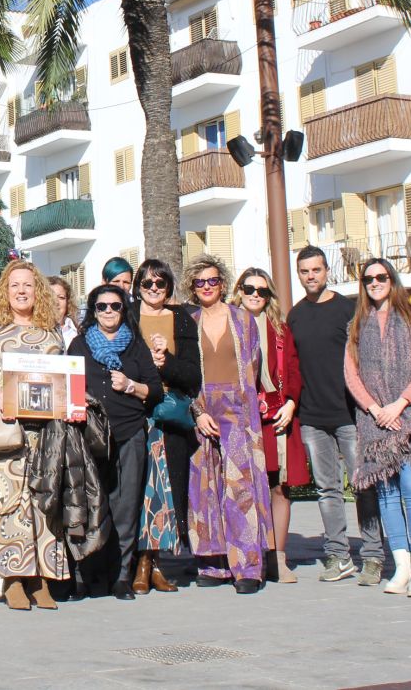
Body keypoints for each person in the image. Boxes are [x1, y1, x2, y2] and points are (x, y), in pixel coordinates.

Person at [0, 259, 71, 611]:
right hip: (6, 432)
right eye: (14, 285)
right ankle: (12, 577)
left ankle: (41, 577)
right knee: (8, 502)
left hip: (45, 434)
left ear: (37, 290)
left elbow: (64, 379)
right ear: (5, 291)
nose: (21, 291)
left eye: (27, 285)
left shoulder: (51, 332)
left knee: (44, 501)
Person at [288, 245, 384, 585]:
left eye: (316, 270)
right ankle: (338, 555)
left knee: (363, 485)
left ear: (327, 271)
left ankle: (373, 555)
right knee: (327, 489)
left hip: (350, 414)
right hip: (313, 417)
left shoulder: (349, 308)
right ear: (298, 274)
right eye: (304, 271)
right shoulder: (295, 315)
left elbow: (369, 356)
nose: (310, 276)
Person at [345, 257, 411, 599]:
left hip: (409, 415)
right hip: (374, 422)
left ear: (392, 280)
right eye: (368, 278)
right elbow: (351, 374)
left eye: (381, 277)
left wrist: (400, 403)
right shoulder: (357, 324)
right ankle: (401, 567)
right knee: (386, 495)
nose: (375, 282)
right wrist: (374, 408)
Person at [184, 254, 273, 593]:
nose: (207, 287)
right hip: (203, 409)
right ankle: (214, 563)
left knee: (241, 489)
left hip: (237, 408)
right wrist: (198, 410)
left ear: (222, 283)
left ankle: (248, 567)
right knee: (205, 487)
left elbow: (252, 366)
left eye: (213, 280)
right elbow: (186, 376)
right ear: (193, 287)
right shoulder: (188, 322)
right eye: (200, 282)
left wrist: (246, 416)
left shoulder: (243, 320)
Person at [67, 283, 162, 599]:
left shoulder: (136, 346)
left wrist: (132, 385)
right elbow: (67, 388)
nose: (109, 311)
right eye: (102, 306)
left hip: (129, 432)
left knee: (125, 506)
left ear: (124, 310)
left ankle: (121, 575)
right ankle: (84, 575)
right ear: (93, 311)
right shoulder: (79, 346)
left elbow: (155, 389)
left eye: (115, 306)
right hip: (89, 436)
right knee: (88, 505)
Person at [231, 267, 307, 585]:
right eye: (250, 289)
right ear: (239, 291)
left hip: (276, 412)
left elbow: (292, 367)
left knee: (279, 486)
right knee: (244, 487)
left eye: (262, 291)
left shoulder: (279, 328)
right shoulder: (228, 325)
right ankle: (248, 558)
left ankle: (278, 557)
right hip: (240, 416)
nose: (255, 295)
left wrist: (290, 402)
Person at [131, 258, 197, 592]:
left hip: (168, 415)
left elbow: (192, 374)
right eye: (147, 283)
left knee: (166, 490)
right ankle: (139, 563)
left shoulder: (181, 319)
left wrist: (165, 362)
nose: (154, 289)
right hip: (134, 413)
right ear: (138, 286)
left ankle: (155, 563)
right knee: (139, 489)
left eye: (161, 284)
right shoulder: (128, 316)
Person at [46, 274, 78, 349]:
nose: (56, 302)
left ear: (68, 302)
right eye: (51, 297)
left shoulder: (80, 331)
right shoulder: (34, 332)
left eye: (61, 297)